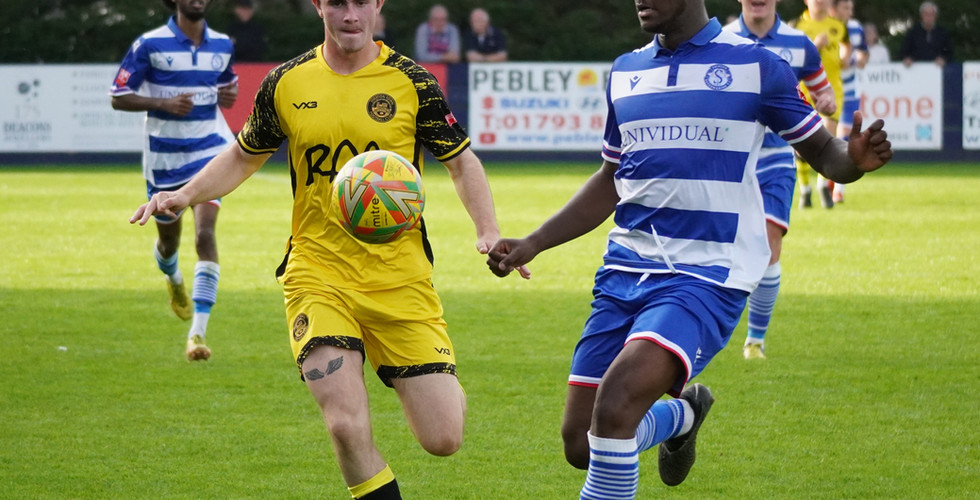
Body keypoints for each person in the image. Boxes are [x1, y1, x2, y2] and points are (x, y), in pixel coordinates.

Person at [486, 0, 892, 497]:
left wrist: (853, 161)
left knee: (615, 406)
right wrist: (534, 242)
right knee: (582, 443)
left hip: (707, 273)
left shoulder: (757, 66)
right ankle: (682, 415)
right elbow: (612, 178)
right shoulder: (626, 71)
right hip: (624, 271)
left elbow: (826, 152)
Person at [130, 0, 525, 498]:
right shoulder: (287, 82)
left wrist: (487, 230)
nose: (351, 14)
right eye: (338, 2)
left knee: (443, 438)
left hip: (399, 278)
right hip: (317, 273)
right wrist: (185, 194)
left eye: (361, 1)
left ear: (378, 4)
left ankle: (437, 384)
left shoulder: (412, 81)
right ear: (319, 5)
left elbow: (462, 162)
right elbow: (243, 155)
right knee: (343, 423)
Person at [111, 0, 238, 362]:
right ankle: (173, 278)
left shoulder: (222, 44)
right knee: (169, 244)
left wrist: (229, 95)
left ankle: (197, 333)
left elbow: (227, 90)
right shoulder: (149, 44)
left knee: (204, 236)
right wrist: (163, 104)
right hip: (165, 159)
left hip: (209, 152)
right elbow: (118, 96)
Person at [724, 0, 838, 360]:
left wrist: (826, 100)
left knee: (770, 243)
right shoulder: (720, 40)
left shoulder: (799, 44)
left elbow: (823, 89)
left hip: (774, 159)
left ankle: (755, 341)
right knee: (718, 249)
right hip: (729, 161)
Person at [793, 0, 850, 209]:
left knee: (827, 137)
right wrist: (815, 47)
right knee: (802, 144)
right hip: (804, 90)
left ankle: (823, 186)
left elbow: (846, 47)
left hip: (832, 90)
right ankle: (805, 189)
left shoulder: (838, 25)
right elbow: (791, 60)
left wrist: (845, 58)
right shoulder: (796, 26)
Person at [830, 0, 869, 203]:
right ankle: (824, 179)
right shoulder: (824, 27)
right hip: (827, 90)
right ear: (833, 9)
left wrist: (861, 58)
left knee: (845, 135)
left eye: (851, 8)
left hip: (850, 89)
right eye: (846, 8)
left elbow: (864, 52)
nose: (850, 12)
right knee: (826, 137)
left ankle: (839, 188)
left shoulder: (855, 28)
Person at [900, 1, 953, 67]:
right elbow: (903, 52)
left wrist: (943, 59)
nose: (929, 17)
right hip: (916, 70)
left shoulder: (943, 33)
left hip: (937, 70)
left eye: (931, 14)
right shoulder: (912, 32)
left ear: (936, 16)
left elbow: (949, 53)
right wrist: (906, 59)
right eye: (926, 14)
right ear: (921, 15)